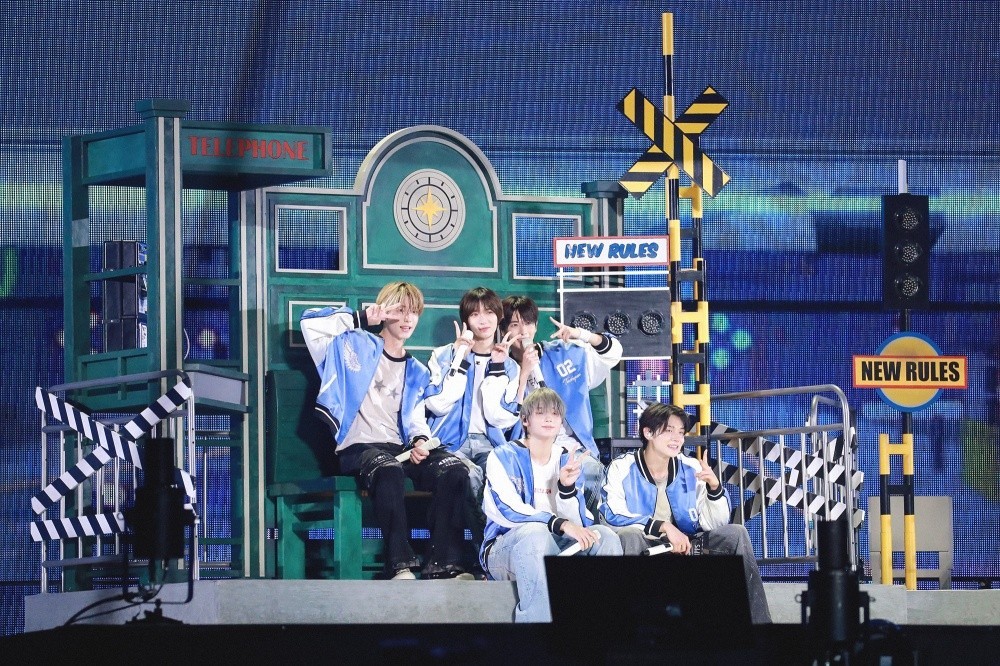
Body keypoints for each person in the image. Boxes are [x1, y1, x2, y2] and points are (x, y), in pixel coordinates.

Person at [300, 281, 473, 580]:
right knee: (388, 468)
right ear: (385, 311)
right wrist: (362, 318)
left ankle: (442, 563)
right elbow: (310, 325)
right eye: (400, 310)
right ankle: (400, 564)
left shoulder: (416, 369)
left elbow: (416, 418)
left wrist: (420, 441)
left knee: (454, 469)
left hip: (399, 449)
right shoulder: (352, 343)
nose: (407, 319)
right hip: (358, 448)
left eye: (413, 312)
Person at [599, 401, 772, 623]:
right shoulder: (622, 467)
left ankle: (760, 627)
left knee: (736, 533)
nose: (677, 439)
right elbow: (611, 514)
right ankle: (637, 627)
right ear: (648, 433)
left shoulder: (691, 467)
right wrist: (663, 527)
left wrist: (714, 489)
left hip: (687, 546)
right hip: (645, 545)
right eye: (669, 431)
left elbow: (714, 523)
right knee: (628, 536)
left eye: (681, 432)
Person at [481, 388, 622, 623]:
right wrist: (559, 523)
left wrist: (567, 488)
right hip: (505, 549)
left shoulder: (566, 458)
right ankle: (538, 633)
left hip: (557, 545)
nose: (549, 419)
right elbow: (508, 510)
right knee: (536, 533)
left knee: (604, 536)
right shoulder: (502, 456)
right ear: (525, 420)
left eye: (555, 414)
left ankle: (604, 626)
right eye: (540, 413)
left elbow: (579, 524)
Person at [492, 295, 623, 512]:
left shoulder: (563, 353)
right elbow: (500, 418)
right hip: (525, 451)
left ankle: (584, 527)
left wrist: (581, 334)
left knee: (593, 473)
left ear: (536, 326)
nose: (523, 331)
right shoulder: (499, 367)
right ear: (504, 329)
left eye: (528, 323)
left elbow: (613, 354)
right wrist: (524, 372)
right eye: (515, 325)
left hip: (570, 447)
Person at [425, 287, 521, 498]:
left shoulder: (510, 366)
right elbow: (437, 404)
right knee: (468, 475)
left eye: (489, 312)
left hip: (490, 444)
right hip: (449, 443)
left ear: (499, 316)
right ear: (466, 320)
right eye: (475, 314)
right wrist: (459, 357)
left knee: (501, 476)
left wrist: (497, 367)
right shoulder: (443, 355)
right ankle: (480, 523)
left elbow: (500, 418)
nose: (483, 320)